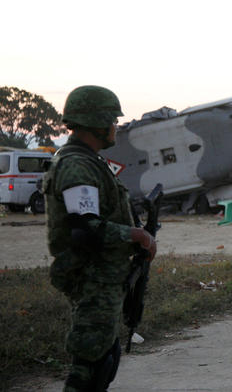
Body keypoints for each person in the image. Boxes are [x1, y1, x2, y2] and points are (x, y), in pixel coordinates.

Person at [42, 85, 157, 391]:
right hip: (91, 277)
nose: (116, 128)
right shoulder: (77, 164)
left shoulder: (89, 161)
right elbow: (85, 229)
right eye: (113, 121)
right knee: (90, 367)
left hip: (103, 275)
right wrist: (136, 235)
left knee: (104, 360)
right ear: (98, 122)